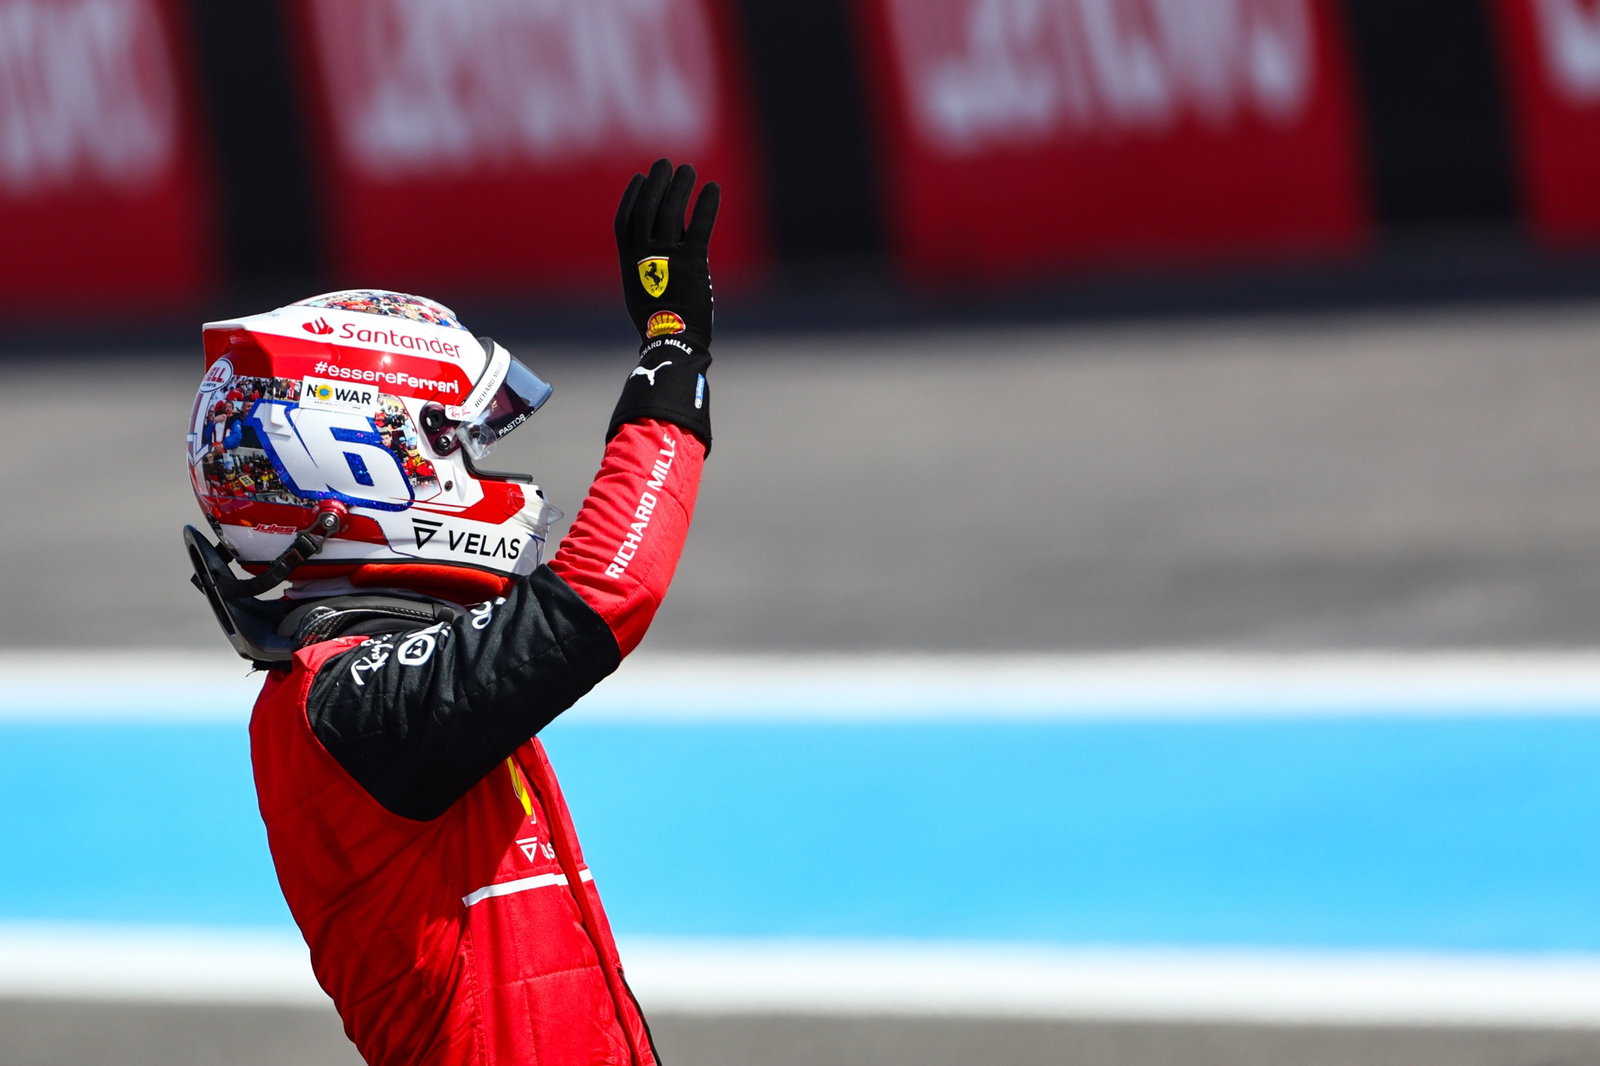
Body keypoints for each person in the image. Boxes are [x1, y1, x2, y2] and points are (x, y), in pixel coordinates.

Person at [182, 159, 718, 1065]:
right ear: (354, 461)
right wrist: (673, 368)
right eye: (459, 440)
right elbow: (602, 597)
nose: (487, 473)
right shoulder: (343, 704)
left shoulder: (366, 684)